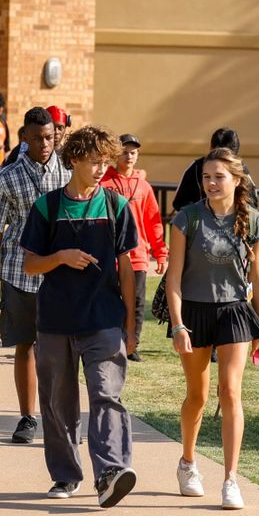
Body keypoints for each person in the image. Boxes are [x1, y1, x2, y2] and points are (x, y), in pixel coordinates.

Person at [19, 125, 139, 508]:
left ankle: (111, 472)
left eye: (106, 161)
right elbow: (30, 265)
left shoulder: (117, 206)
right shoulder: (47, 207)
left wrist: (131, 325)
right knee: (58, 402)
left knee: (107, 396)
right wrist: (61, 257)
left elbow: (128, 269)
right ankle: (66, 475)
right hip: (55, 321)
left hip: (104, 320)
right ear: (73, 160)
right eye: (94, 161)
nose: (102, 168)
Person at [166, 148, 259, 509]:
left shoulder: (253, 221)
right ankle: (188, 463)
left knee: (230, 391)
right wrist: (178, 325)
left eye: (218, 176)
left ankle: (230, 479)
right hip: (194, 313)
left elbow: (257, 276)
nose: (210, 182)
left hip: (235, 312)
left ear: (236, 180)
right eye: (206, 176)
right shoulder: (186, 219)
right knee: (198, 395)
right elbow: (173, 279)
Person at [0, 107, 70, 443]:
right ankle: (27, 417)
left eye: (50, 136)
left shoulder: (67, 172)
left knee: (62, 349)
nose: (45, 143)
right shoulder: (7, 177)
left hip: (61, 277)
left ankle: (61, 415)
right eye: (38, 138)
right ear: (24, 138)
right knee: (25, 346)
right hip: (20, 276)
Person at [100, 133, 168, 361]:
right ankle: (110, 341)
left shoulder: (144, 187)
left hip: (137, 255)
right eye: (124, 151)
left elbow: (154, 221)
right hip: (109, 255)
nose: (129, 156)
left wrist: (160, 253)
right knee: (111, 299)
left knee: (137, 303)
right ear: (115, 154)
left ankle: (132, 344)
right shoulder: (104, 184)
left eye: (133, 152)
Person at [172, 127, 258, 212]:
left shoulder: (242, 171)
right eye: (206, 176)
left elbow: (251, 206)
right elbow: (179, 202)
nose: (212, 182)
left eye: (220, 176)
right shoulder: (195, 167)